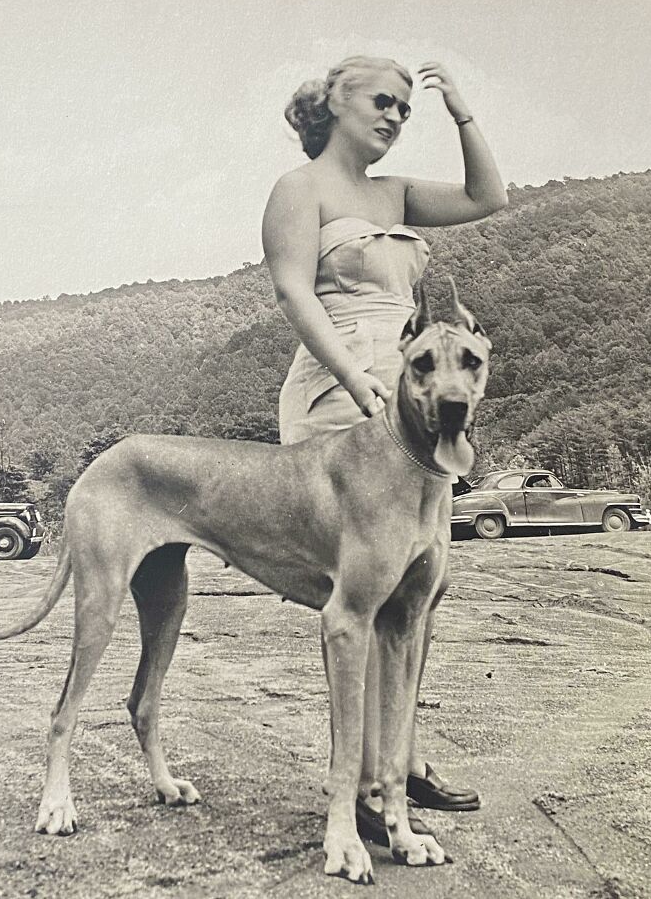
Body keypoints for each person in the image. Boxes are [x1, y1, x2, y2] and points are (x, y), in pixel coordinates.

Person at [262, 55, 507, 850]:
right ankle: (365, 785)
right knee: (364, 593)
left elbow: (487, 197)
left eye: (407, 107)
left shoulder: (397, 193)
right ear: (332, 101)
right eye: (383, 100)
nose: (398, 115)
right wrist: (354, 378)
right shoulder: (301, 191)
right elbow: (296, 291)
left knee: (421, 589)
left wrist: (463, 112)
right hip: (343, 391)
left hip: (416, 394)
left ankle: (395, 762)